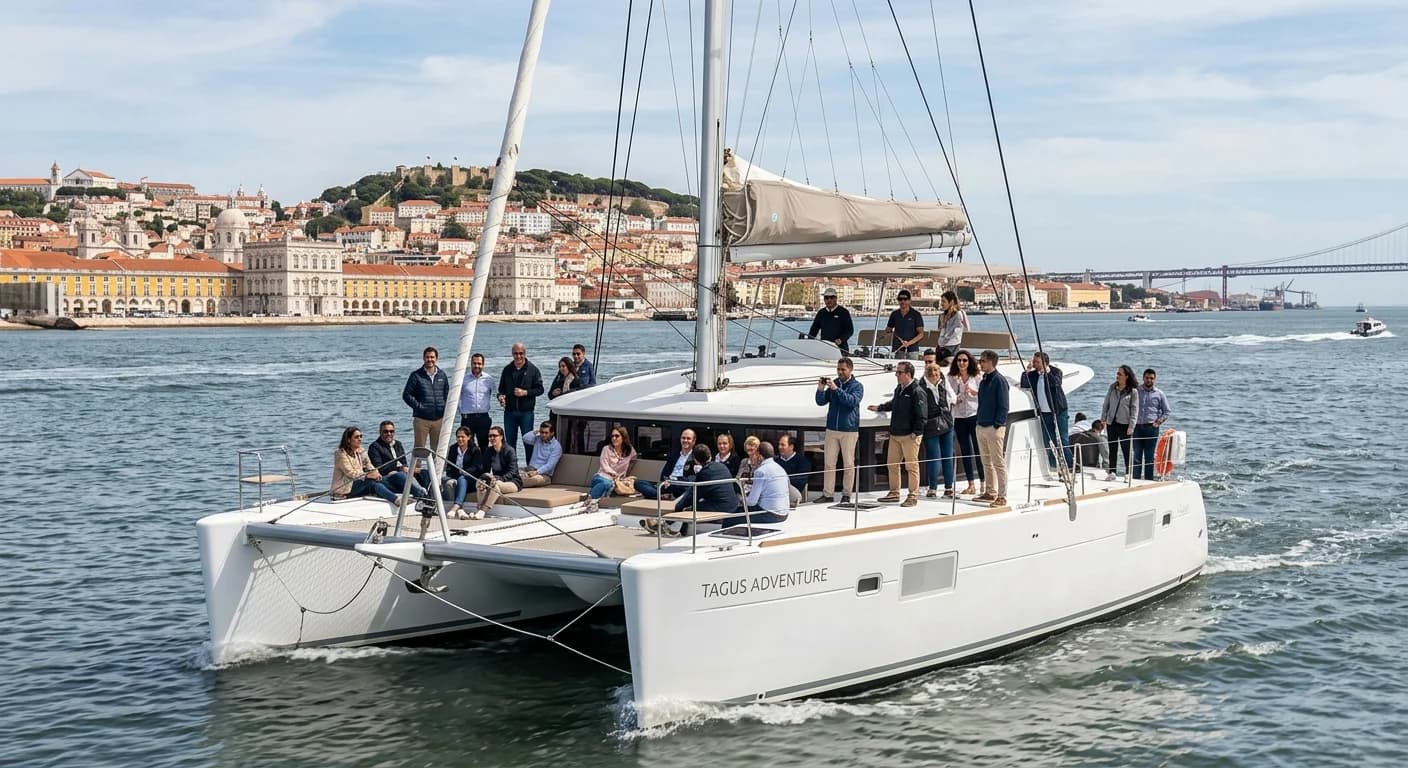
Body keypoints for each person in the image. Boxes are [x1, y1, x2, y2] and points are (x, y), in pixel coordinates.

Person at [868, 360, 927, 507]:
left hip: (909, 436)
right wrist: (880, 407)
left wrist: (916, 432)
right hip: (895, 434)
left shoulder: (917, 391)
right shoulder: (899, 388)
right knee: (892, 464)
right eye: (897, 372)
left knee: (911, 466)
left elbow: (922, 415)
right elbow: (894, 404)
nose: (897, 375)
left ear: (908, 374)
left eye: (899, 372)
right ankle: (894, 492)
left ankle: (913, 495)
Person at [815, 357, 864, 503]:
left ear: (850, 370)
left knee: (848, 463)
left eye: (843, 369)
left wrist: (836, 390)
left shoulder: (857, 386)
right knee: (829, 463)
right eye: (838, 369)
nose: (840, 372)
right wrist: (820, 389)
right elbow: (820, 401)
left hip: (849, 430)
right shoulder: (834, 384)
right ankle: (828, 494)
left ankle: (847, 494)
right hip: (832, 429)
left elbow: (851, 402)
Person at [1019, 351, 1072, 475]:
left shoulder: (1055, 372)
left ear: (1044, 363)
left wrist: (1047, 373)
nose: (1034, 364)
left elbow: (1056, 383)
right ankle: (1054, 465)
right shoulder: (1033, 375)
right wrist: (1027, 371)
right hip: (1044, 413)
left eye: (1037, 362)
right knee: (1048, 440)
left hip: (1058, 411)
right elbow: (1024, 383)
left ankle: (1069, 464)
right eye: (1034, 362)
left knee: (1063, 439)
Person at [719, 441, 791, 526]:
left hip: (770, 514)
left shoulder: (761, 471)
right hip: (784, 513)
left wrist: (740, 497)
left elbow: (751, 502)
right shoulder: (780, 468)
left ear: (759, 455)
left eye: (755, 454)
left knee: (730, 518)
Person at [498, 342, 544, 461]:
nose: (518, 356)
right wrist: (501, 397)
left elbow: (540, 389)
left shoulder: (533, 370)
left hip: (526, 413)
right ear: (512, 354)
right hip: (510, 412)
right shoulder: (507, 370)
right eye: (515, 354)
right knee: (510, 443)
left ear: (525, 353)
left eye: (521, 353)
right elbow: (500, 390)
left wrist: (525, 392)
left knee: (528, 442)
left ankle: (529, 467)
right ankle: (512, 469)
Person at [919, 352, 956, 499]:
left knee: (947, 456)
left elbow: (952, 397)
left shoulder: (944, 382)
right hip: (930, 424)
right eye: (931, 372)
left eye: (936, 372)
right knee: (934, 457)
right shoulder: (921, 385)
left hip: (946, 423)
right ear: (926, 374)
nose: (934, 374)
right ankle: (932, 487)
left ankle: (948, 487)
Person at [975, 350, 1009, 507]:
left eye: (983, 361)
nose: (980, 363)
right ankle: (990, 492)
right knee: (986, 462)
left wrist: (997, 424)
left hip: (994, 427)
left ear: (991, 362)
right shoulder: (984, 380)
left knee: (998, 462)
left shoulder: (999, 381)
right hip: (981, 425)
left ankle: (1002, 495)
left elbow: (1004, 406)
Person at [947, 350, 984, 496]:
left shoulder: (977, 377)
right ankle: (971, 484)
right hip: (959, 417)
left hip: (974, 415)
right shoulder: (951, 378)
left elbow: (984, 394)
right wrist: (959, 397)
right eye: (959, 360)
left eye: (964, 360)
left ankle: (983, 483)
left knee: (978, 450)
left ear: (969, 362)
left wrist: (974, 392)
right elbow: (948, 397)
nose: (961, 363)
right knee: (965, 451)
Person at [330, 427, 398, 502]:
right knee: (372, 483)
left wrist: (375, 473)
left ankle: (409, 494)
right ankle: (396, 500)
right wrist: (367, 476)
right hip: (346, 488)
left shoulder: (360, 450)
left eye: (360, 436)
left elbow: (369, 465)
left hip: (359, 482)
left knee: (396, 476)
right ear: (348, 440)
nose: (360, 439)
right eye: (356, 437)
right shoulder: (340, 454)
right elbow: (350, 473)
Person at [402, 346, 449, 452]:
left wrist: (444, 408)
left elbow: (447, 395)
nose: (430, 359)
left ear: (436, 358)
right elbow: (406, 395)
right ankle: (417, 468)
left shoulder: (442, 375)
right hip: (421, 419)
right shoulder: (416, 375)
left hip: (439, 419)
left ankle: (438, 468)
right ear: (423, 358)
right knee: (419, 448)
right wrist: (419, 407)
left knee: (438, 449)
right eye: (427, 357)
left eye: (432, 357)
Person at [366, 420, 429, 498]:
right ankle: (422, 496)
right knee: (400, 475)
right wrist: (399, 469)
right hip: (387, 477)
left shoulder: (398, 444)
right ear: (380, 432)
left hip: (402, 472)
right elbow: (379, 467)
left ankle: (432, 494)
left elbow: (404, 462)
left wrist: (408, 468)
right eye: (385, 432)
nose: (389, 434)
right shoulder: (374, 447)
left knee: (424, 472)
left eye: (391, 431)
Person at [1100, 365, 1140, 481]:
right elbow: (1106, 403)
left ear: (1126, 376)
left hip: (1125, 424)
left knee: (1126, 449)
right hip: (1112, 422)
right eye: (1117, 374)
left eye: (1120, 374)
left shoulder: (1133, 392)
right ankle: (1112, 472)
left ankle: (1128, 473)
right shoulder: (1112, 388)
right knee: (1112, 448)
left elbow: (1134, 409)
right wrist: (1103, 418)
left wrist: (1132, 426)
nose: (1117, 376)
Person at [672, 445, 739, 514]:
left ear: (696, 460)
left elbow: (692, 496)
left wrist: (678, 508)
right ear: (710, 456)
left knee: (689, 510)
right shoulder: (722, 466)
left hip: (721, 508)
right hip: (733, 505)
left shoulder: (704, 473)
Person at [1132, 368, 1172, 481]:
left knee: (1149, 457)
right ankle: (1135, 480)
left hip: (1152, 428)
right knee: (1137, 456)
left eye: (1151, 378)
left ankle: (1148, 480)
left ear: (1155, 380)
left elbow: (1167, 411)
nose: (1149, 380)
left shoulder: (1159, 394)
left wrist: (1159, 421)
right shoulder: (1136, 391)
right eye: (1147, 378)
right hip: (1137, 427)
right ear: (1143, 378)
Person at [636, 428, 697, 500]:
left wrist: (674, 481)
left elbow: (692, 479)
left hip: (680, 486)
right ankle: (662, 496)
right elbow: (664, 474)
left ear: (693, 441)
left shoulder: (695, 458)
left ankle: (657, 495)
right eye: (683, 438)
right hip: (666, 485)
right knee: (638, 483)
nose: (685, 440)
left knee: (683, 488)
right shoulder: (674, 456)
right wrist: (666, 481)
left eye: (688, 438)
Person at [587, 425, 637, 508]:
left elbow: (634, 459)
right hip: (601, 477)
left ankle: (594, 499)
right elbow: (604, 465)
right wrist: (614, 474)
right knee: (606, 483)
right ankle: (591, 500)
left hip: (616, 481)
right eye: (612, 436)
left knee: (610, 484)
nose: (614, 438)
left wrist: (626, 472)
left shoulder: (630, 450)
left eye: (617, 436)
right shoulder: (606, 449)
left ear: (623, 438)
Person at [476, 426, 522, 512]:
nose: (492, 438)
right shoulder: (488, 451)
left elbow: (513, 471)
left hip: (512, 482)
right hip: (497, 480)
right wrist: (485, 477)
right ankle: (479, 507)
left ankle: (483, 510)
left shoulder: (509, 450)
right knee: (480, 483)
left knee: (494, 486)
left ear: (501, 437)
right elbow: (485, 470)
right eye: (490, 436)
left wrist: (499, 478)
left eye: (494, 435)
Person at [456, 352, 494, 452]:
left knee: (484, 445)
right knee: (468, 446)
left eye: (479, 363)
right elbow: (456, 396)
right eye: (474, 363)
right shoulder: (463, 379)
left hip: (483, 417)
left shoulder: (489, 379)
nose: (477, 366)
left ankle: (484, 467)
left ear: (483, 364)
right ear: (471, 364)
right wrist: (460, 410)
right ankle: (469, 467)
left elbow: (496, 394)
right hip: (468, 418)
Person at [445, 426, 482, 519]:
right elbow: (449, 467)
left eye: (463, 437)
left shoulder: (475, 450)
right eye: (458, 437)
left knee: (462, 479)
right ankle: (460, 509)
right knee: (443, 480)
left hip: (470, 478)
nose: (460, 439)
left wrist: (463, 472)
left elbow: (477, 467)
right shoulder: (453, 449)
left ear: (468, 437)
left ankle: (455, 507)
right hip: (455, 476)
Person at [808, 287, 854, 352]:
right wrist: (809, 341)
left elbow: (850, 330)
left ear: (836, 298)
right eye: (826, 298)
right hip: (824, 348)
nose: (829, 300)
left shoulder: (843, 312)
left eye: (831, 297)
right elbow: (814, 329)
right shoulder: (821, 313)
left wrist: (841, 339)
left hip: (841, 348)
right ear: (824, 299)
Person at [519, 421, 563, 488]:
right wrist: (536, 431)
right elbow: (525, 438)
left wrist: (536, 472)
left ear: (552, 433)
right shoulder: (537, 439)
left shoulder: (556, 447)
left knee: (533, 479)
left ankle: (513, 484)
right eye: (542, 432)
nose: (543, 435)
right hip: (529, 469)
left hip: (544, 475)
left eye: (546, 433)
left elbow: (550, 465)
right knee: (512, 472)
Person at [886, 290, 925, 359]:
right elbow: (888, 329)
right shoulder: (894, 314)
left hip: (912, 350)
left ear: (909, 301)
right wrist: (890, 333)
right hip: (898, 349)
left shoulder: (916, 315)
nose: (902, 301)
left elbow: (921, 334)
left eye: (905, 299)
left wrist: (909, 343)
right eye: (900, 299)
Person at [775, 433, 811, 508]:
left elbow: (801, 480)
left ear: (791, 447)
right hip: (775, 494)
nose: (779, 447)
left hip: (792, 495)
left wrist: (782, 480)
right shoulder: (775, 461)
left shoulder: (802, 461)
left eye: (783, 445)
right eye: (779, 444)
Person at [935, 290, 970, 363]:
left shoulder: (958, 314)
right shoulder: (942, 316)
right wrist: (942, 324)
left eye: (944, 301)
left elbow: (957, 331)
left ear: (951, 302)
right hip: (940, 348)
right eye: (941, 301)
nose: (941, 304)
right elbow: (940, 332)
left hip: (951, 347)